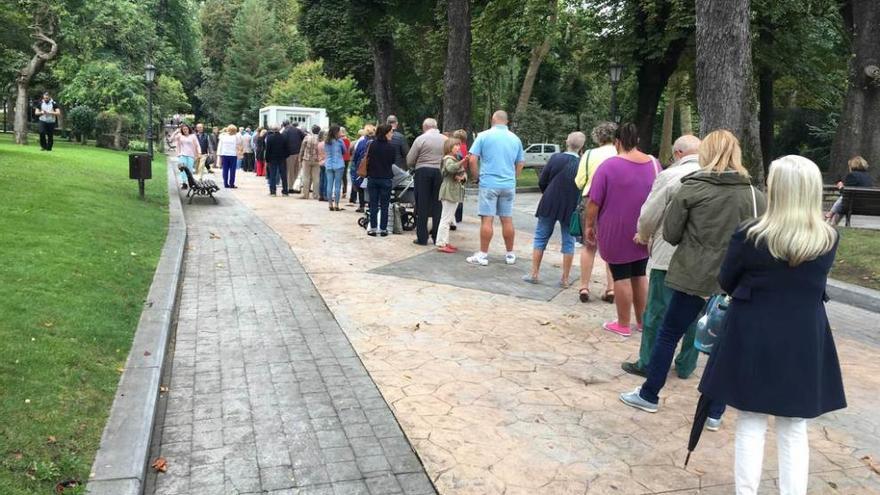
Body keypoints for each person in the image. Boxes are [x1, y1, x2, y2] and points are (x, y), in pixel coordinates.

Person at [699, 155, 845, 494]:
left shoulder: (750, 234)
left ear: (776, 189)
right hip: (804, 336)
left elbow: (727, 280)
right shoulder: (827, 238)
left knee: (751, 420)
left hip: (753, 332)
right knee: (794, 427)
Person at [620, 129, 767, 431]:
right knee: (724, 344)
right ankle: (714, 412)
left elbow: (672, 234)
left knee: (668, 333)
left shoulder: (693, 188)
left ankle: (650, 394)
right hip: (734, 281)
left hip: (693, 275)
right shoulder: (755, 196)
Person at [622, 135, 702, 378]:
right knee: (696, 315)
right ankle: (686, 364)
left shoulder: (670, 176)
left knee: (657, 311)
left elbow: (649, 214)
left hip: (668, 255)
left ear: (677, 153)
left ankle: (648, 361)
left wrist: (643, 235)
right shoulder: (715, 178)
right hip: (703, 262)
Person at [584, 123, 660, 337]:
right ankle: (643, 322)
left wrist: (589, 225)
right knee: (639, 274)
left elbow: (594, 201)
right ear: (637, 141)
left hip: (615, 228)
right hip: (643, 228)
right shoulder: (654, 164)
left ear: (617, 142)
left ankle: (623, 324)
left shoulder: (608, 166)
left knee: (621, 276)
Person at [523, 132, 585, 286]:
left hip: (550, 201)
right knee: (569, 241)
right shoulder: (582, 163)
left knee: (541, 236)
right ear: (582, 146)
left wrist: (549, 192)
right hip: (570, 205)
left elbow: (543, 180)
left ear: (566, 142)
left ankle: (534, 273)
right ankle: (565, 279)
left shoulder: (556, 158)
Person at [465, 111, 525, 266]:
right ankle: (510, 254)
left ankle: (483, 254)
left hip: (489, 182)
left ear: (493, 120)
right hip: (508, 184)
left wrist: (477, 177)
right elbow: (520, 163)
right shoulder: (515, 139)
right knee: (507, 219)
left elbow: (472, 159)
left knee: (487, 218)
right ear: (507, 121)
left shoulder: (483, 136)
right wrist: (514, 178)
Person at [575, 122, 618, 304]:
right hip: (614, 203)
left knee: (588, 245)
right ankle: (611, 288)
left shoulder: (589, 154)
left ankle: (584, 286)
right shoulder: (620, 154)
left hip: (590, 199)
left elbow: (579, 181)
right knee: (611, 247)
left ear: (597, 137)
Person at [408, 118, 448, 245]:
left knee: (422, 203)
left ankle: (422, 237)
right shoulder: (445, 140)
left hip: (423, 172)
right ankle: (437, 235)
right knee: (438, 204)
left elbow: (410, 159)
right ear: (436, 127)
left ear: (424, 127)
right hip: (440, 172)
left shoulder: (421, 139)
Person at [436, 137, 468, 253]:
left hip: (452, 191)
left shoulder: (454, 159)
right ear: (450, 147)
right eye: (456, 145)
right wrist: (463, 161)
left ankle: (445, 241)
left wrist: (462, 177)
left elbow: (461, 172)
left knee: (448, 219)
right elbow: (451, 169)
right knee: (446, 219)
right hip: (449, 191)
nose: (458, 148)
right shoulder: (448, 159)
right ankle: (441, 243)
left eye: (459, 145)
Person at [366, 124, 397, 236]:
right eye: (390, 132)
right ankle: (383, 229)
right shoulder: (391, 147)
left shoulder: (372, 145)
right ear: (386, 133)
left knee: (373, 204)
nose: (392, 134)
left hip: (373, 177)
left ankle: (373, 228)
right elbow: (392, 161)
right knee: (385, 205)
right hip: (386, 178)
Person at [827, 156, 873, 225]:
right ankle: (831, 218)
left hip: (853, 205)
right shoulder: (868, 176)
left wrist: (840, 187)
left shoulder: (852, 175)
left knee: (843, 200)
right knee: (843, 202)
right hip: (866, 205)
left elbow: (845, 194)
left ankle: (831, 217)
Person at [350, 125, 375, 212]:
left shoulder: (361, 142)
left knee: (360, 186)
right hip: (372, 167)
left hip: (362, 166)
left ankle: (361, 205)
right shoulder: (375, 142)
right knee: (371, 186)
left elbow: (356, 155)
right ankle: (371, 205)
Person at [170, 124, 201, 190]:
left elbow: (197, 145)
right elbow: (171, 139)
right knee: (183, 169)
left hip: (191, 155)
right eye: (183, 129)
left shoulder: (193, 136)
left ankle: (191, 183)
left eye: (186, 129)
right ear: (182, 130)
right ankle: (184, 183)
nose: (185, 130)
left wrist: (199, 152)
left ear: (189, 129)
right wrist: (176, 132)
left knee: (189, 170)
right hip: (182, 155)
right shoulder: (180, 136)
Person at [324, 125, 347, 211]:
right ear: (336, 132)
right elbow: (345, 151)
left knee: (329, 185)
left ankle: (330, 204)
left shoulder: (326, 141)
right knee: (337, 185)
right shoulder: (340, 141)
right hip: (339, 164)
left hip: (329, 164)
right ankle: (336, 204)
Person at [264, 124, 289, 196]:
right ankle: (285, 191)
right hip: (282, 158)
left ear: (272, 129)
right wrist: (285, 156)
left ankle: (273, 192)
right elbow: (287, 149)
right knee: (283, 175)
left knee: (272, 175)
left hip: (272, 158)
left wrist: (267, 159)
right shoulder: (284, 137)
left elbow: (268, 150)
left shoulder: (269, 138)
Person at [283, 122, 306, 194]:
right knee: (297, 171)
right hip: (298, 153)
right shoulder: (297, 130)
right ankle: (297, 187)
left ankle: (290, 187)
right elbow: (304, 137)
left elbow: (283, 142)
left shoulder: (285, 131)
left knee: (290, 171)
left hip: (289, 153)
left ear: (284, 125)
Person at [300, 125, 322, 199]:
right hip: (317, 160)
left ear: (312, 130)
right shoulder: (320, 139)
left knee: (306, 177)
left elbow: (302, 148)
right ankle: (315, 195)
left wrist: (300, 157)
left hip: (307, 159)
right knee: (316, 178)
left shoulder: (307, 137)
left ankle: (305, 194)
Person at [349, 128, 367, 204]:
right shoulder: (366, 142)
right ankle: (364, 200)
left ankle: (353, 197)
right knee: (362, 181)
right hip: (363, 163)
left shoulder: (354, 142)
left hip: (355, 162)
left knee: (355, 180)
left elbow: (350, 152)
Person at [317, 130, 328, 200]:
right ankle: (325, 195)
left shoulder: (319, 144)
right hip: (327, 162)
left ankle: (320, 195)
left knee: (321, 179)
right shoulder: (328, 144)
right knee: (326, 180)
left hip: (321, 162)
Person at [341, 127, 352, 195]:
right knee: (344, 175)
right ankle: (344, 190)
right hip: (346, 159)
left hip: (340, 158)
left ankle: (341, 189)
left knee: (339, 175)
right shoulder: (348, 140)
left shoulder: (339, 140)